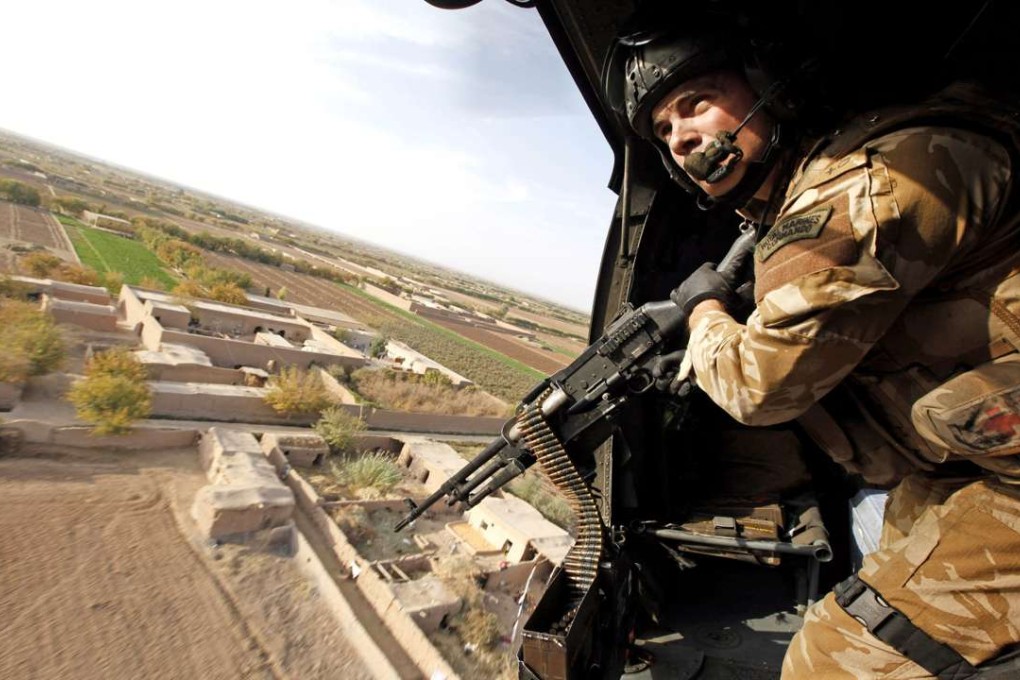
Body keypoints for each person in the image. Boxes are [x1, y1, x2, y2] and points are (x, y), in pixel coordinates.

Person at [605, 5, 1020, 679]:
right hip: (972, 460)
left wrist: (704, 310)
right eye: (664, 129)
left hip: (1001, 469)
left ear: (769, 83)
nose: (680, 138)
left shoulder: (865, 182)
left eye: (695, 102)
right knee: (882, 542)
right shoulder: (806, 195)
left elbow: (757, 385)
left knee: (828, 658)